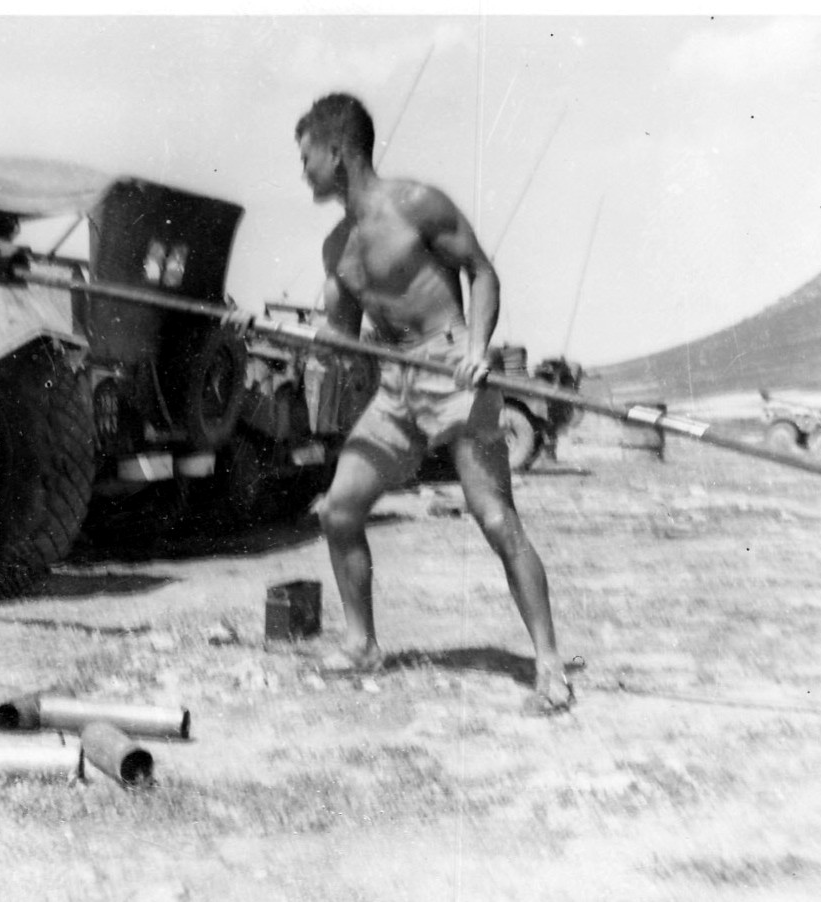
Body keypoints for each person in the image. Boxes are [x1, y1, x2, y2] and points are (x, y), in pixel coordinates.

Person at [231, 93, 573, 715]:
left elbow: (483, 272)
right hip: (396, 384)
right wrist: (274, 332)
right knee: (339, 510)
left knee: (496, 519)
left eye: (306, 158)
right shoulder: (336, 248)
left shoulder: (417, 204)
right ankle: (362, 646)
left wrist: (477, 348)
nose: (301, 171)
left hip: (451, 367)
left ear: (338, 152)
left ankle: (549, 663)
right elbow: (341, 343)